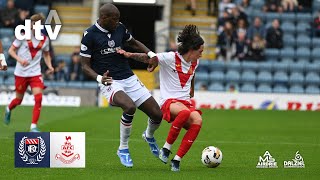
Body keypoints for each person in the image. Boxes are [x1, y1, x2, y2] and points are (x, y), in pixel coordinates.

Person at [79, 3, 163, 168]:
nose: (118, 22)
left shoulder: (119, 28)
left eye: (119, 19)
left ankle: (148, 135)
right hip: (109, 80)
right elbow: (84, 66)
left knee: (157, 114)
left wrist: (151, 54)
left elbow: (133, 42)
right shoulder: (89, 35)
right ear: (104, 18)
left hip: (129, 77)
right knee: (129, 107)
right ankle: (123, 148)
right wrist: (98, 78)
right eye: (115, 19)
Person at [117, 25, 204, 172]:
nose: (202, 54)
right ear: (192, 49)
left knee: (198, 121)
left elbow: (192, 74)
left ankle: (177, 160)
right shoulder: (170, 58)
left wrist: (192, 90)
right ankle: (166, 149)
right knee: (185, 113)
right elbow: (149, 58)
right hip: (169, 102)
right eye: (200, 51)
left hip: (184, 103)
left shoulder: (195, 62)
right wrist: (129, 55)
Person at [4, 13, 54, 132]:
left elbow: (46, 54)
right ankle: (8, 108)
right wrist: (20, 60)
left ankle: (33, 126)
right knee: (18, 101)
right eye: (33, 24)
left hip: (35, 73)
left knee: (38, 98)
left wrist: (50, 66)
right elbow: (11, 51)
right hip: (21, 73)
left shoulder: (45, 39)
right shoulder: (22, 36)